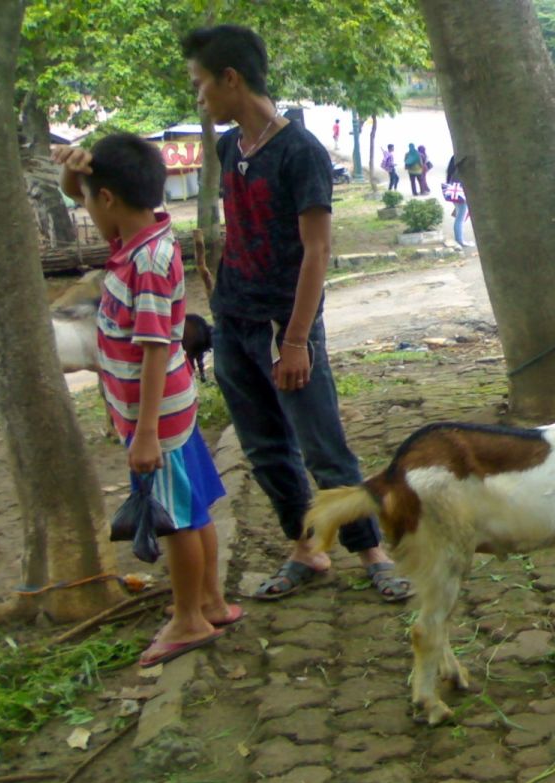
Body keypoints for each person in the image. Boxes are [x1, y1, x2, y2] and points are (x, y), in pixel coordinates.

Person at [181, 25, 412, 602]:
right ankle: (306, 549)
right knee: (264, 450)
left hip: (287, 328)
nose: (199, 96)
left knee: (322, 446)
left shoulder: (300, 153)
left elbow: (317, 251)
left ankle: (372, 552)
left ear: (231, 79)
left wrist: (295, 341)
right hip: (233, 323)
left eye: (201, 83)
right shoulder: (229, 146)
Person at [54, 134, 236, 667]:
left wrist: (147, 431)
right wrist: (74, 170)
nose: (82, 205)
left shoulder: (148, 262)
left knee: (176, 521)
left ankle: (188, 619)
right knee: (193, 510)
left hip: (156, 417)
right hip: (165, 412)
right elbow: (83, 193)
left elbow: (157, 347)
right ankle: (212, 601)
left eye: (88, 199)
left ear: (107, 200)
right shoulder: (137, 239)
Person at [443, 155, 470, 247]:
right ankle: (460, 240)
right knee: (460, 218)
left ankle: (459, 239)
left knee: (459, 217)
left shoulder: (452, 171)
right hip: (461, 195)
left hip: (456, 196)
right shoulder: (459, 172)